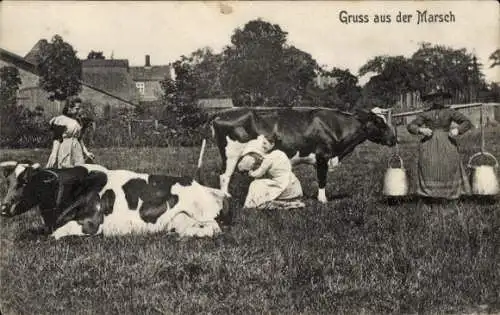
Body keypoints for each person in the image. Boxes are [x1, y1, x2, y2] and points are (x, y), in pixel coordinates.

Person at [407, 88, 473, 200]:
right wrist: (421, 130)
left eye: (440, 97)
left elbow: (466, 122)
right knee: (428, 165)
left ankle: (449, 193)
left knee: (449, 164)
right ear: (431, 100)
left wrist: (457, 130)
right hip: (429, 143)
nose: (438, 100)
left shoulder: (450, 112)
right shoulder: (425, 114)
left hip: (447, 142)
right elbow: (411, 126)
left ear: (443, 99)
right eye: (435, 98)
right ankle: (429, 194)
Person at [237, 134, 305, 210]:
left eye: (265, 143)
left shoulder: (269, 158)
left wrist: (251, 173)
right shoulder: (281, 153)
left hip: (283, 186)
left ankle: (249, 206)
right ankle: (290, 200)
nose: (262, 145)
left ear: (272, 144)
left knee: (255, 184)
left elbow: (259, 174)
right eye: (262, 143)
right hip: (294, 186)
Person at [46, 97, 95, 168]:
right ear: (69, 108)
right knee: (66, 170)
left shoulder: (78, 121)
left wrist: (86, 152)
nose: (79, 111)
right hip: (65, 148)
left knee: (80, 169)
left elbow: (79, 138)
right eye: (77, 109)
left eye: (79, 109)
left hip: (77, 149)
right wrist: (53, 155)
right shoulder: (61, 120)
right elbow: (57, 139)